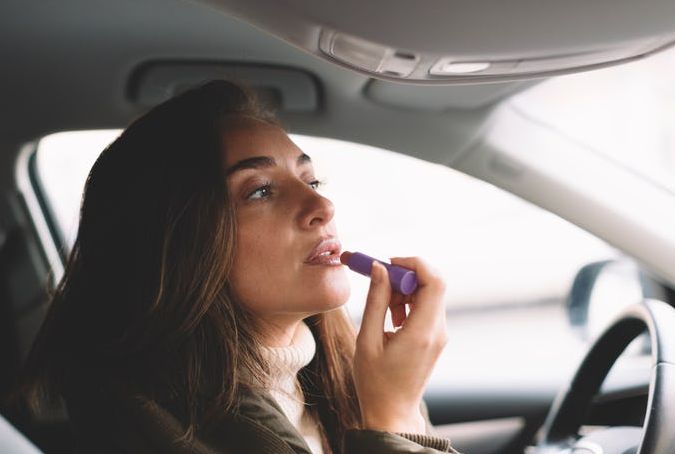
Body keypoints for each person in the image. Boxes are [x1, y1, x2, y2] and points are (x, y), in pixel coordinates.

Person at [17, 80, 459, 453]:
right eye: (260, 191)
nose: (321, 206)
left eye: (311, 180)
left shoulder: (341, 374)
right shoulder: (152, 428)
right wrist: (392, 415)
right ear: (178, 244)